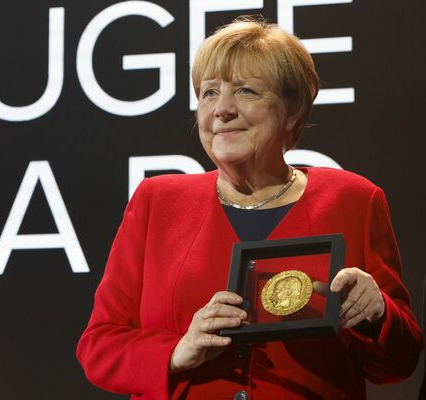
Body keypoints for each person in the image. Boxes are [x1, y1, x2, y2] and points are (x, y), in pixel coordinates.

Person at [76, 16, 422, 400]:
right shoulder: (156, 201)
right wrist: (177, 351)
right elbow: (100, 346)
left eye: (246, 91)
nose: (221, 109)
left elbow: (399, 364)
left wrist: (378, 314)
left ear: (292, 110)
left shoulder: (354, 199)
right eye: (208, 93)